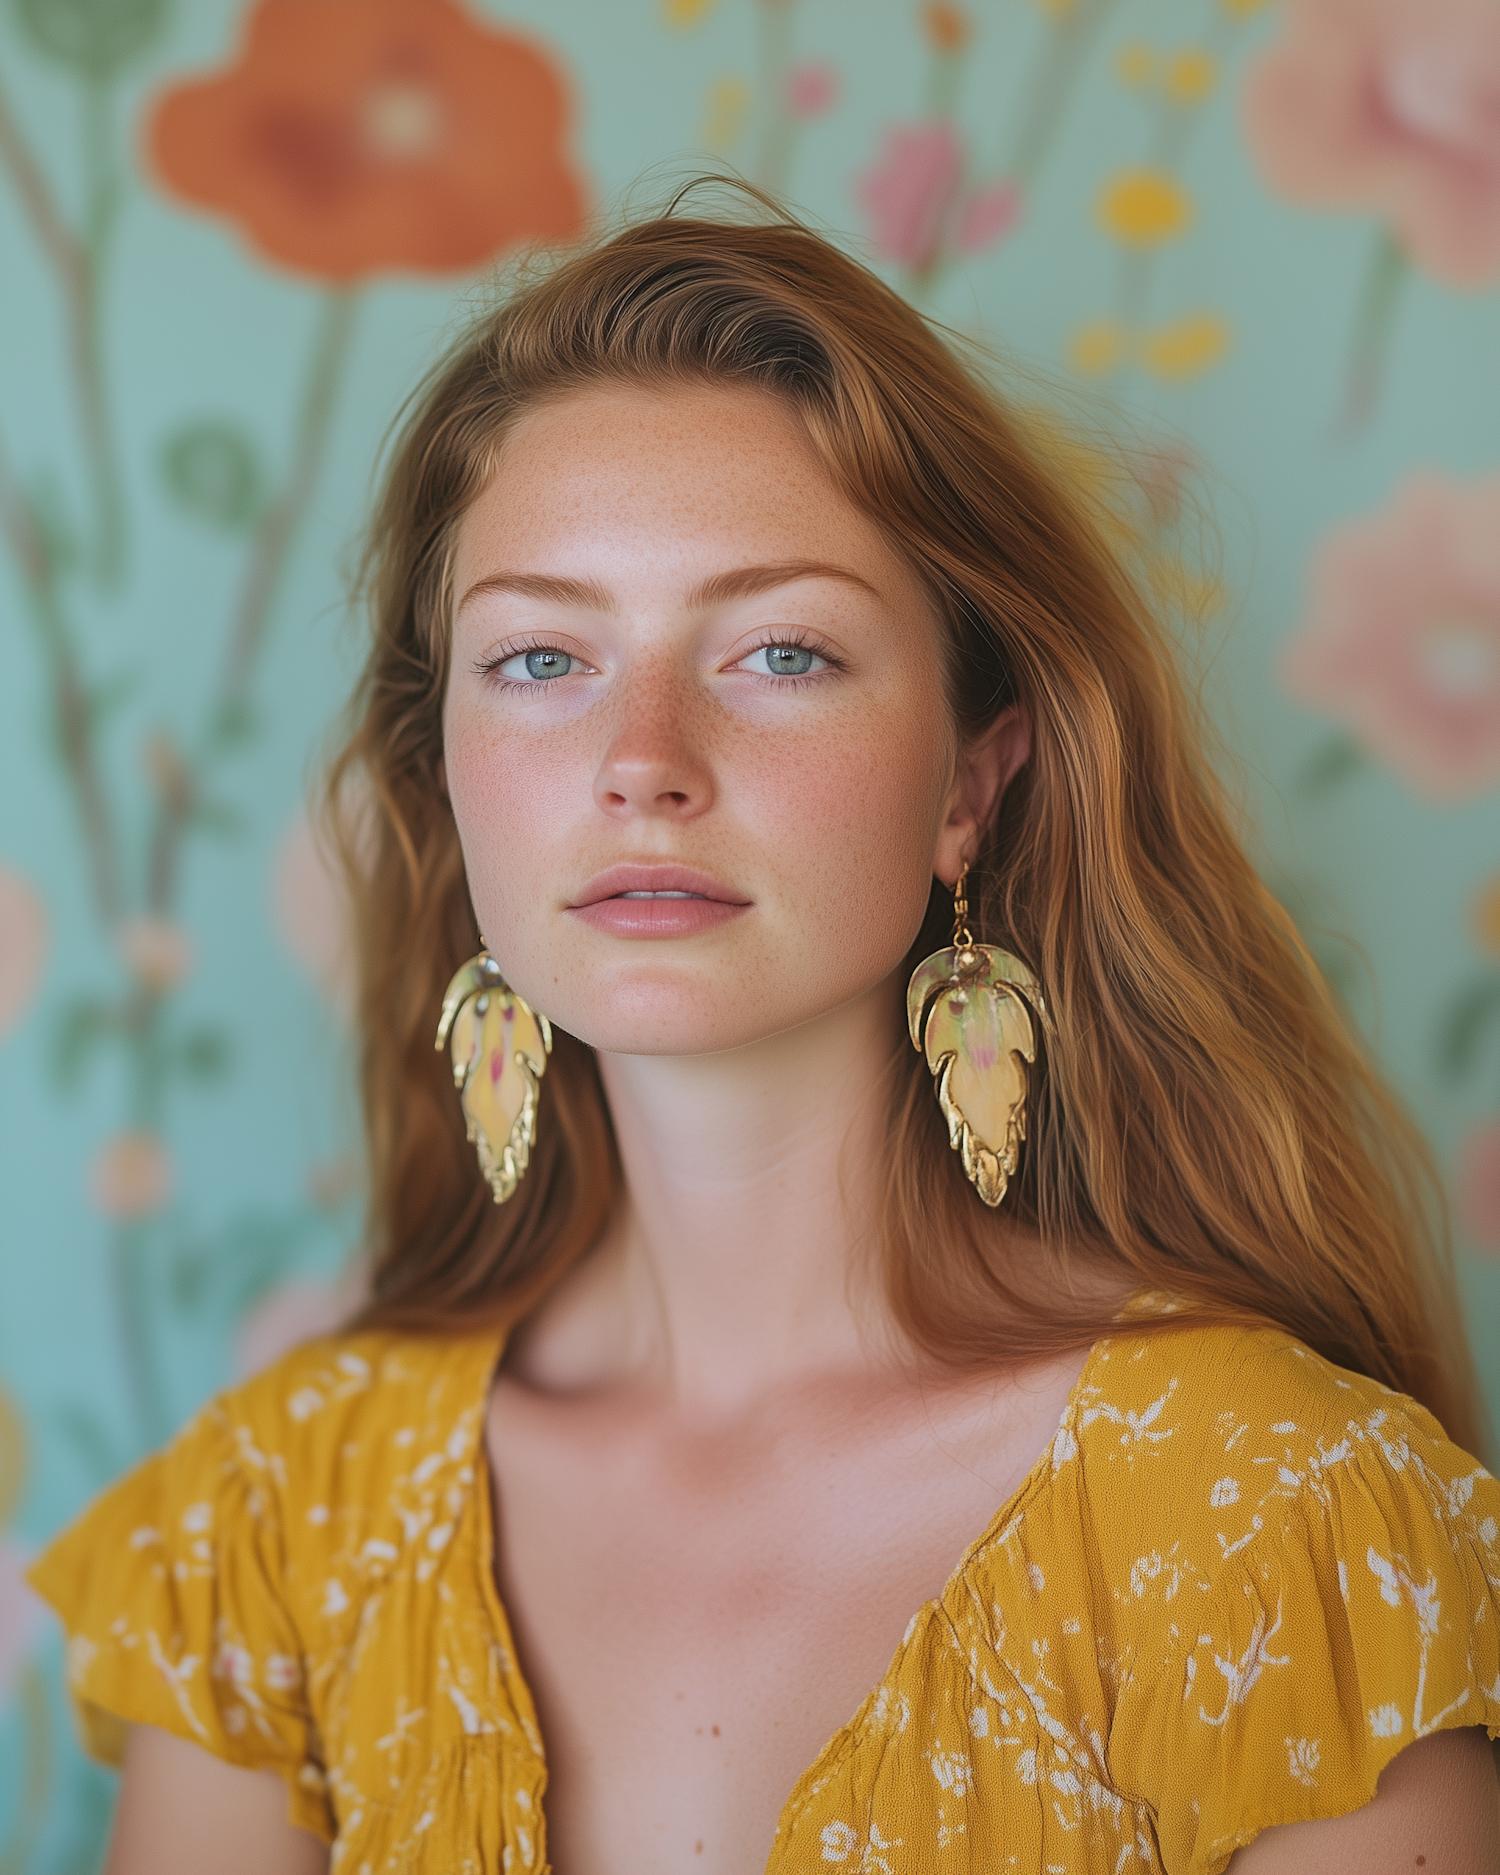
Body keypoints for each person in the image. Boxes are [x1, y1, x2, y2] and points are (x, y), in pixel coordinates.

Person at [29, 193, 1500, 1875]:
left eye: (781, 649)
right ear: (445, 771)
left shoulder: (1282, 1519)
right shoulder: (274, 1526)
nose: (642, 756)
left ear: (970, 783)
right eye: (540, 657)